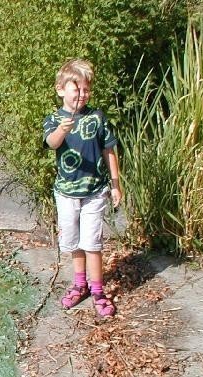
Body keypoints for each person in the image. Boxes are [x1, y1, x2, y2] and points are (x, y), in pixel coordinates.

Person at [42, 58, 122, 317]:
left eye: (86, 89)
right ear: (61, 89)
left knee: (93, 243)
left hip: (95, 191)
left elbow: (110, 150)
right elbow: (52, 143)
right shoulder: (54, 119)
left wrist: (116, 184)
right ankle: (80, 285)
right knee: (74, 241)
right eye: (76, 89)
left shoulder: (97, 117)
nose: (82, 94)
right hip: (66, 193)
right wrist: (62, 130)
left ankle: (98, 290)